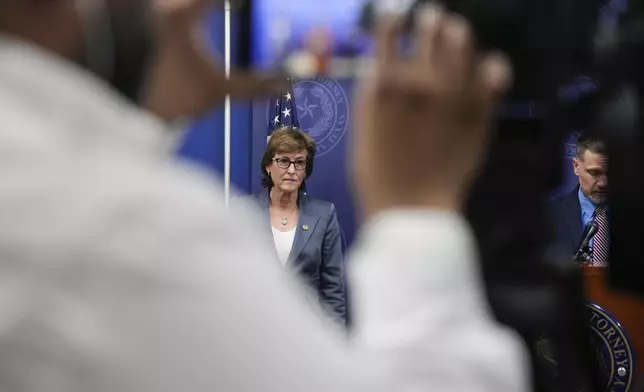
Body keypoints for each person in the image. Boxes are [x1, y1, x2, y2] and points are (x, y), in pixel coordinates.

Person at [0, 1, 527, 391]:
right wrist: (417, 211)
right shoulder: (130, 234)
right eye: (284, 162)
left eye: (299, 163)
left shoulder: (67, 199)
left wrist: (149, 106)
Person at [245, 126, 346, 325]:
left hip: (307, 333)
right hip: (254, 330)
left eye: (299, 163)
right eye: (283, 161)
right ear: (268, 165)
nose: (292, 170)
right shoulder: (244, 211)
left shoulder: (324, 214)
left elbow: (333, 290)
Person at [548, 131, 609, 264]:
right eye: (594, 173)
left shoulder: (633, 216)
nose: (603, 183)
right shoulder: (551, 215)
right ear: (576, 166)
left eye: (608, 172)